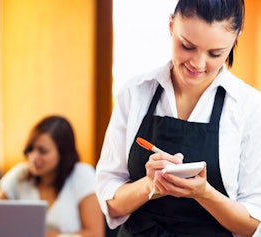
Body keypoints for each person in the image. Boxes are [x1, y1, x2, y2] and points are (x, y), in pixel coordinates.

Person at [95, 0, 261, 236]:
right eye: (187, 46)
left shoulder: (250, 107)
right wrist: (150, 184)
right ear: (171, 25)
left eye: (216, 54)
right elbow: (110, 203)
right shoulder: (135, 93)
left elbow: (253, 224)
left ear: (235, 39)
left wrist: (203, 193)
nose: (198, 63)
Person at [0, 115, 104, 237]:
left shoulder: (83, 175)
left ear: (63, 153)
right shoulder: (20, 174)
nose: (33, 157)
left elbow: (95, 234)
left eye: (43, 151)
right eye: (31, 149)